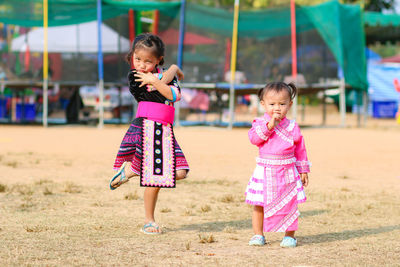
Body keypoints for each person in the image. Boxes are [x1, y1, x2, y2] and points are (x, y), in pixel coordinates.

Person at [109, 33, 189, 234]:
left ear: (158, 60)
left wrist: (166, 74)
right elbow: (166, 87)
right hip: (147, 128)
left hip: (165, 131)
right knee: (155, 176)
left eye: (148, 61)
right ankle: (149, 220)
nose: (142, 65)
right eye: (138, 59)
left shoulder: (160, 76)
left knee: (180, 172)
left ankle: (131, 171)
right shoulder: (134, 76)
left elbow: (175, 95)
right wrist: (173, 70)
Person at [245, 82, 310, 247]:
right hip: (266, 170)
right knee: (259, 204)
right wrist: (269, 126)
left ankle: (289, 236)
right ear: (263, 104)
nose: (277, 108)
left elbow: (300, 150)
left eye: (282, 104)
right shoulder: (259, 123)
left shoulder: (293, 126)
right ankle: (258, 235)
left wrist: (303, 170)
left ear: (290, 104)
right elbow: (254, 139)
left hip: (288, 170)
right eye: (272, 104)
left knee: (290, 204)